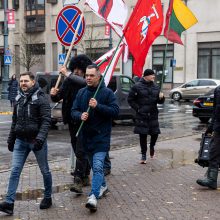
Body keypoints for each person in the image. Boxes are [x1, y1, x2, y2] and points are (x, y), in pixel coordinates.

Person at [0, 72, 52, 215]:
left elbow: (46, 121)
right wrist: (11, 139)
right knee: (14, 171)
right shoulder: (18, 99)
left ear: (33, 82)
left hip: (37, 141)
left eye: (26, 81)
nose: (23, 83)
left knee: (44, 170)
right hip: (20, 141)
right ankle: (9, 203)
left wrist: (40, 139)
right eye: (21, 81)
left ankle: (48, 197)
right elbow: (15, 122)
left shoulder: (41, 98)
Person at [71, 64, 119, 212]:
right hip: (86, 139)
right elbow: (73, 111)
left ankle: (93, 197)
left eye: (91, 75)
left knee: (98, 167)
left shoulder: (107, 93)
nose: (88, 78)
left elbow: (115, 112)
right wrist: (80, 115)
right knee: (94, 167)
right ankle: (103, 186)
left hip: (101, 138)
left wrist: (98, 106)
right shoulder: (81, 93)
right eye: (86, 75)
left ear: (98, 76)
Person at [50, 54, 92, 194]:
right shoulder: (69, 81)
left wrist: (67, 74)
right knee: (77, 148)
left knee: (80, 149)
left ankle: (78, 179)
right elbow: (59, 96)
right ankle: (85, 174)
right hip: (71, 119)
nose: (76, 71)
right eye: (74, 69)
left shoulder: (87, 82)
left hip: (83, 119)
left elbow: (83, 82)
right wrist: (53, 94)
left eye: (79, 69)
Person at [127, 69, 165, 164]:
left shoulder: (156, 87)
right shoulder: (137, 86)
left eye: (154, 75)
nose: (153, 77)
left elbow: (159, 102)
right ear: (146, 76)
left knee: (155, 134)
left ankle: (152, 146)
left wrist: (162, 98)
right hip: (142, 115)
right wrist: (138, 108)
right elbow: (130, 99)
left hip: (153, 114)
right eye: (152, 75)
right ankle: (143, 154)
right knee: (143, 135)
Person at [196, 85, 220, 189]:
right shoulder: (218, 89)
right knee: (214, 152)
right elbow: (215, 110)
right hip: (219, 128)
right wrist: (210, 127)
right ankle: (211, 180)